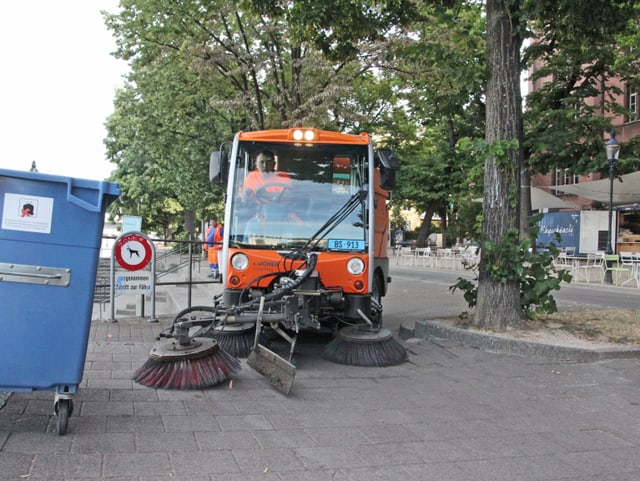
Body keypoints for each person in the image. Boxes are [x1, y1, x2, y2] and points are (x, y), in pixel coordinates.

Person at [240, 150, 301, 224]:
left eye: (268, 162)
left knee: (300, 227)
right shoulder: (251, 177)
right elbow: (247, 197)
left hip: (284, 213)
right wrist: (244, 196)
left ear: (274, 164)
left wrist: (266, 194)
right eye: (261, 162)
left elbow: (289, 196)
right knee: (250, 228)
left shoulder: (283, 176)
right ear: (256, 164)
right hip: (260, 215)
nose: (265, 166)